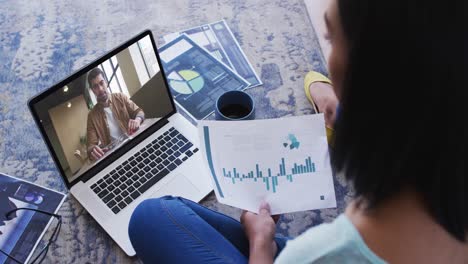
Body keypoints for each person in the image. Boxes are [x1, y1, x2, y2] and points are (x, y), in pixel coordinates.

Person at [128, 0, 468, 263]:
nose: (328, 56)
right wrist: (332, 97)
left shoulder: (319, 253)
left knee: (149, 218)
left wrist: (261, 246)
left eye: (331, 39)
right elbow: (313, 80)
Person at [86, 67, 145, 161]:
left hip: (134, 144)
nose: (100, 89)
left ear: (106, 83)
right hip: (115, 157)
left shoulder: (121, 97)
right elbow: (90, 145)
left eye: (101, 83)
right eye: (95, 86)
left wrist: (137, 120)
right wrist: (92, 150)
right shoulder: (92, 116)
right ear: (92, 90)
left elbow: (139, 112)